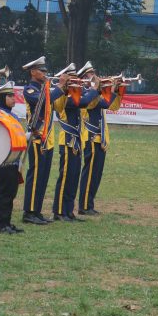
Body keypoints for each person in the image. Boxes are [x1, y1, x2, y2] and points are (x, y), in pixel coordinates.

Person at [76, 62, 124, 216]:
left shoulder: (95, 92)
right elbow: (95, 104)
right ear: (84, 78)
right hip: (90, 138)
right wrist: (104, 88)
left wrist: (116, 88)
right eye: (90, 75)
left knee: (96, 174)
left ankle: (89, 204)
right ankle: (83, 206)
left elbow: (112, 106)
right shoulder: (84, 93)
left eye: (93, 73)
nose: (95, 76)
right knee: (89, 173)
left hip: (101, 139)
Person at [52, 64, 93, 222]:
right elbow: (81, 102)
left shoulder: (75, 93)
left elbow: (87, 101)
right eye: (73, 77)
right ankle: (59, 211)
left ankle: (69, 211)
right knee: (66, 177)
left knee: (74, 177)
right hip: (67, 142)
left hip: (76, 142)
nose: (77, 80)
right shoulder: (65, 96)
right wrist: (95, 88)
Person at [22, 56, 59, 225]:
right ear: (33, 72)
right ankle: (28, 212)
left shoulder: (45, 88)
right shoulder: (30, 89)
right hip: (37, 139)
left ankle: (37, 211)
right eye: (41, 71)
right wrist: (60, 87)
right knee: (35, 176)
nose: (45, 73)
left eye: (45, 70)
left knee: (43, 177)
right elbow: (43, 100)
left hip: (47, 139)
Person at [0, 81, 25, 234]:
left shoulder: (12, 115)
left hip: (14, 158)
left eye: (13, 95)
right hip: (4, 159)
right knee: (5, 191)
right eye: (9, 96)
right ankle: (1, 224)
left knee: (11, 191)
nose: (13, 99)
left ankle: (7, 222)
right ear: (2, 98)